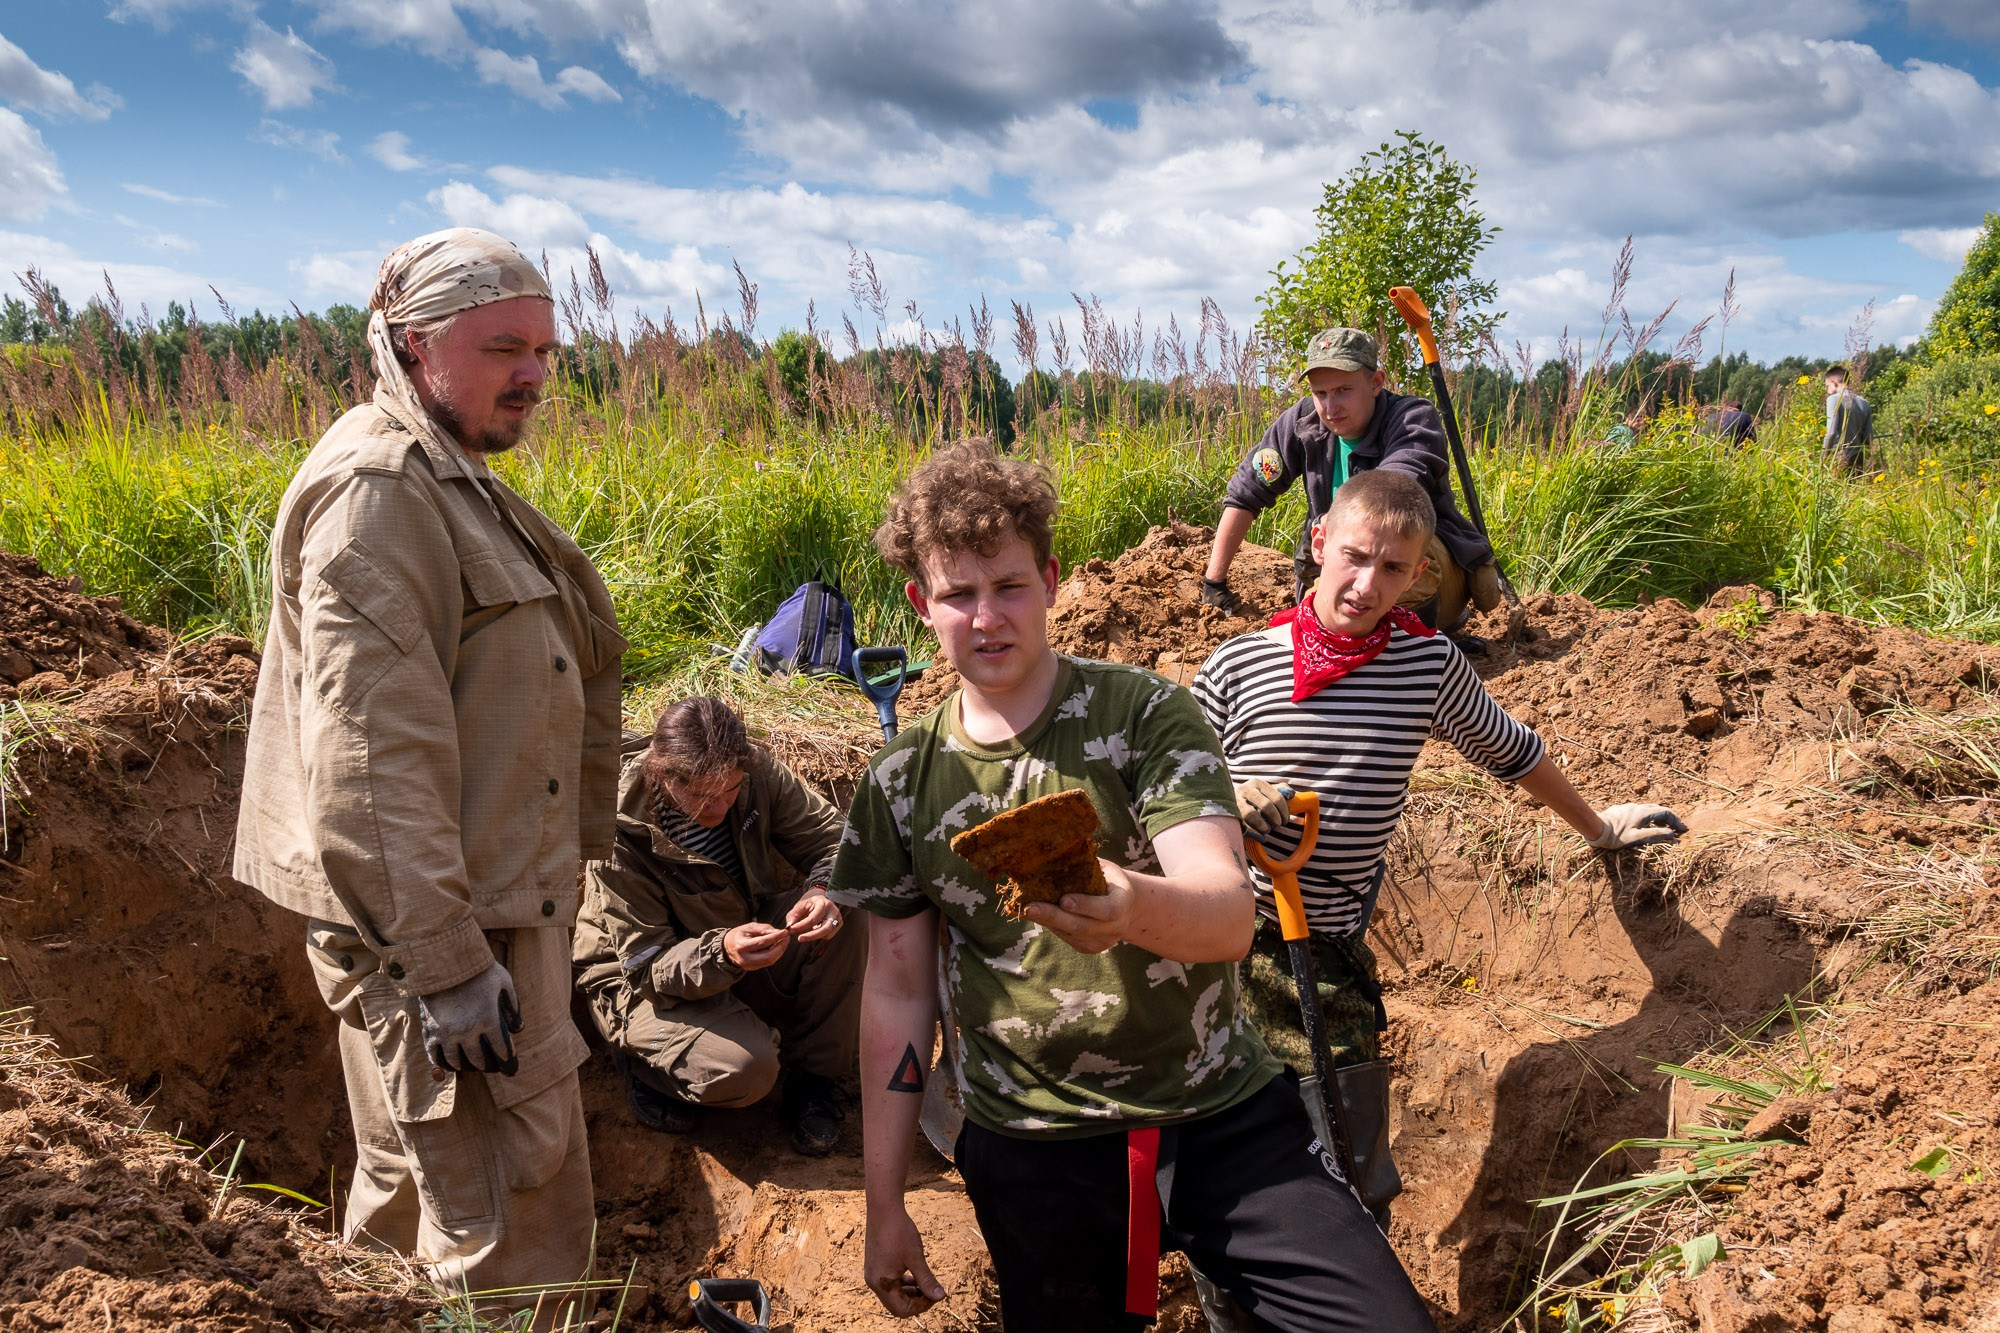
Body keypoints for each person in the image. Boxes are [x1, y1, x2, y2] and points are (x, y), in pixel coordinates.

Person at [831, 440, 1436, 1333]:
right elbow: (896, 989)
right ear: (923, 605)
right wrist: (886, 1202)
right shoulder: (899, 779)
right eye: (960, 594)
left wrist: (1130, 906)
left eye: (1009, 585)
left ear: (1052, 579)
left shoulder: (1146, 713)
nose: (987, 617)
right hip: (1035, 1139)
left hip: (1220, 1106)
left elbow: (1229, 914)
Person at [233, 227, 624, 1323]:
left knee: (418, 1204)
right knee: (508, 1232)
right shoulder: (383, 488)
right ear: (412, 345)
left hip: (478, 914)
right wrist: (450, 965)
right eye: (504, 346)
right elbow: (368, 757)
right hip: (450, 942)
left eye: (547, 348)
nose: (535, 373)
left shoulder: (450, 477)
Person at [1189, 469, 1685, 1317]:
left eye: (1391, 568)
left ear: (1419, 574)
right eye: (1352, 558)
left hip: (1330, 953)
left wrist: (1597, 826)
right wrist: (1225, 795)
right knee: (1219, 1159)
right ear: (1317, 547)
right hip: (1220, 945)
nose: (1365, 583)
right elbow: (1171, 784)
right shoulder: (1238, 664)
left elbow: (1511, 750)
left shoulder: (1424, 665)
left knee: (1343, 1149)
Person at [572, 696, 863, 1157]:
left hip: (735, 947)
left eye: (730, 791)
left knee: (848, 912)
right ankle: (644, 1068)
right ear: (663, 774)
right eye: (704, 797)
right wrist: (722, 952)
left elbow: (837, 841)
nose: (720, 808)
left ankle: (814, 1081)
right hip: (642, 980)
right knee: (746, 1071)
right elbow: (647, 965)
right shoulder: (618, 831)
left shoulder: (753, 770)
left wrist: (824, 891)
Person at [1201, 326, 1500, 631]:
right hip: (1345, 561)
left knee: (1395, 549)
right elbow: (1246, 494)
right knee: (1324, 577)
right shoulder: (1302, 422)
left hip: (1425, 571)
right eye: (1321, 394)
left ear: (1376, 382)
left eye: (1344, 390)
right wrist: (1214, 581)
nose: (1330, 408)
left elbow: (1392, 487)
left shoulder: (1413, 419)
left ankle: (1419, 641)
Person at [1823, 364, 1873, 471]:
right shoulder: (1864, 403)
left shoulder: (1833, 400)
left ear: (1833, 382)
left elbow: (1831, 433)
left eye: (1827, 386)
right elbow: (1869, 438)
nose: (1827, 390)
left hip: (1839, 459)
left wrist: (1824, 459)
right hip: (1859, 459)